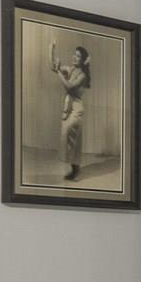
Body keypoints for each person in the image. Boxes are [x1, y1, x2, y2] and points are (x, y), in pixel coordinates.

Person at [52, 41, 91, 181]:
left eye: (78, 56)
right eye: (74, 55)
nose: (74, 57)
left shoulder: (83, 76)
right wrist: (52, 50)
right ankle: (75, 168)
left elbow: (69, 86)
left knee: (72, 135)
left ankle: (76, 169)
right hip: (69, 108)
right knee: (68, 136)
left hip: (77, 109)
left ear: (82, 60)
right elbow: (53, 67)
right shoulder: (70, 69)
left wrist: (58, 72)